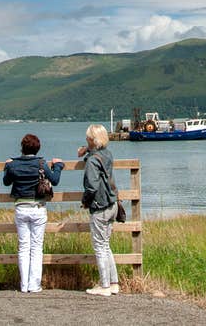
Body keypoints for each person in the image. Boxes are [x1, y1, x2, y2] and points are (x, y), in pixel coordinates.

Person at [3, 134, 64, 293]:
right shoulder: (41, 164)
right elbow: (55, 180)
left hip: (21, 208)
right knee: (36, 248)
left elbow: (6, 181)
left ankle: (24, 285)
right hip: (38, 208)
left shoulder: (13, 164)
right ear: (37, 149)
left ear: (22, 148)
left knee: (23, 247)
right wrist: (58, 166)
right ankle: (34, 285)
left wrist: (7, 166)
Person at [79, 124, 120, 296]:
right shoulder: (107, 154)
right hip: (112, 204)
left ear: (91, 139)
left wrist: (85, 201)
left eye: (88, 138)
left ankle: (104, 286)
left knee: (100, 247)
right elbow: (97, 160)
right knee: (106, 245)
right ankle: (113, 283)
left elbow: (92, 186)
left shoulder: (92, 160)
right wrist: (86, 152)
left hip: (100, 206)